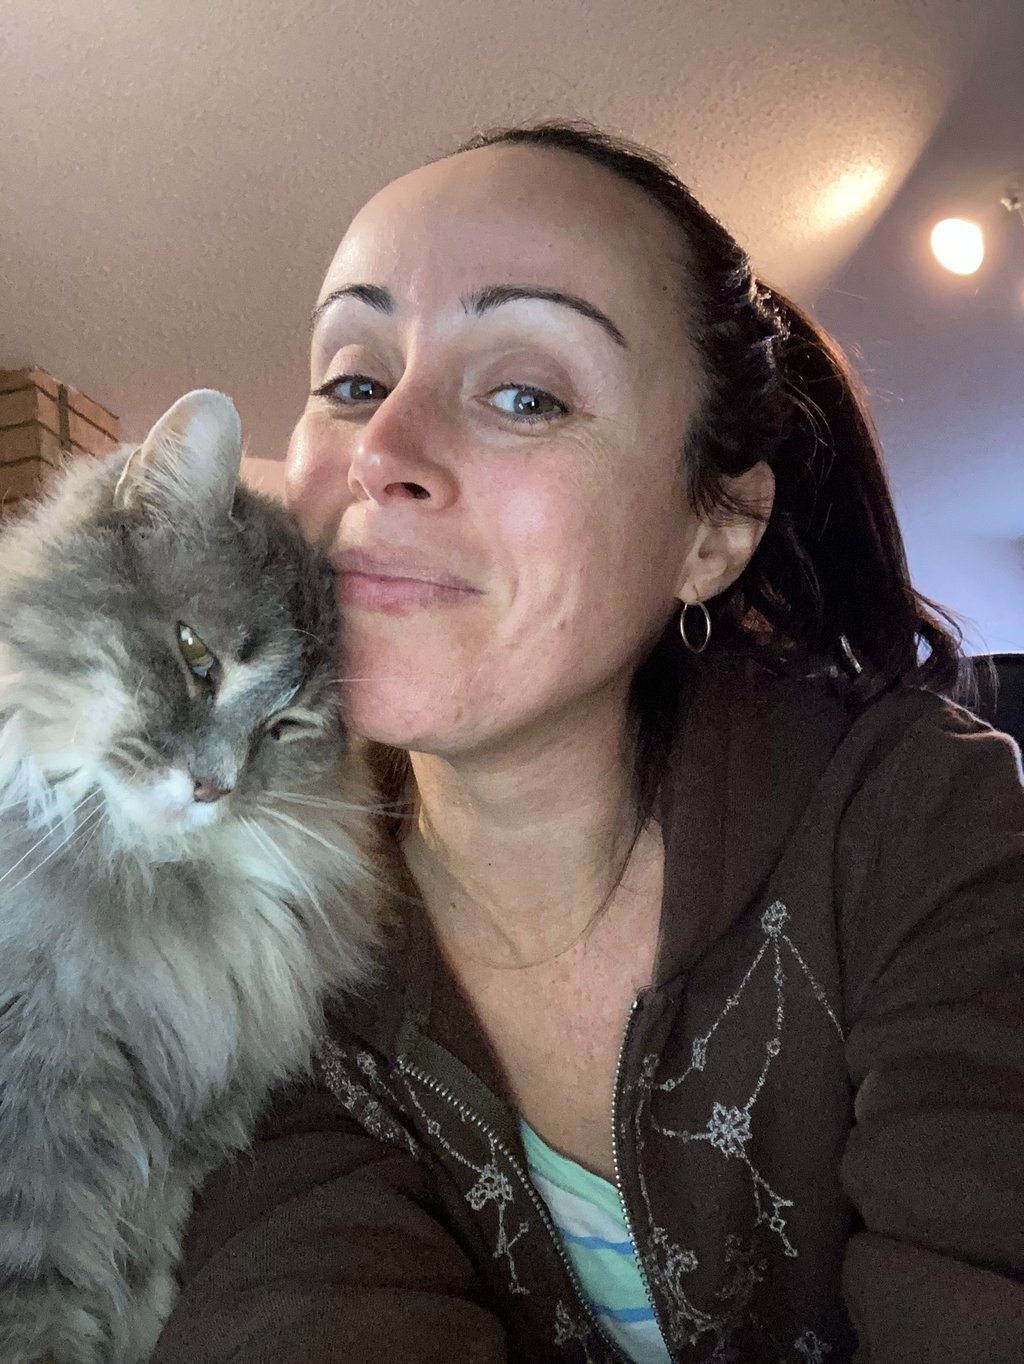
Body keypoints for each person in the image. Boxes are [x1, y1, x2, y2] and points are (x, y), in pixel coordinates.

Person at [152, 123, 1024, 1363]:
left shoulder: (916, 821)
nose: (381, 453)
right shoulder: (245, 930)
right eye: (352, 379)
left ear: (713, 530)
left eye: (525, 393)